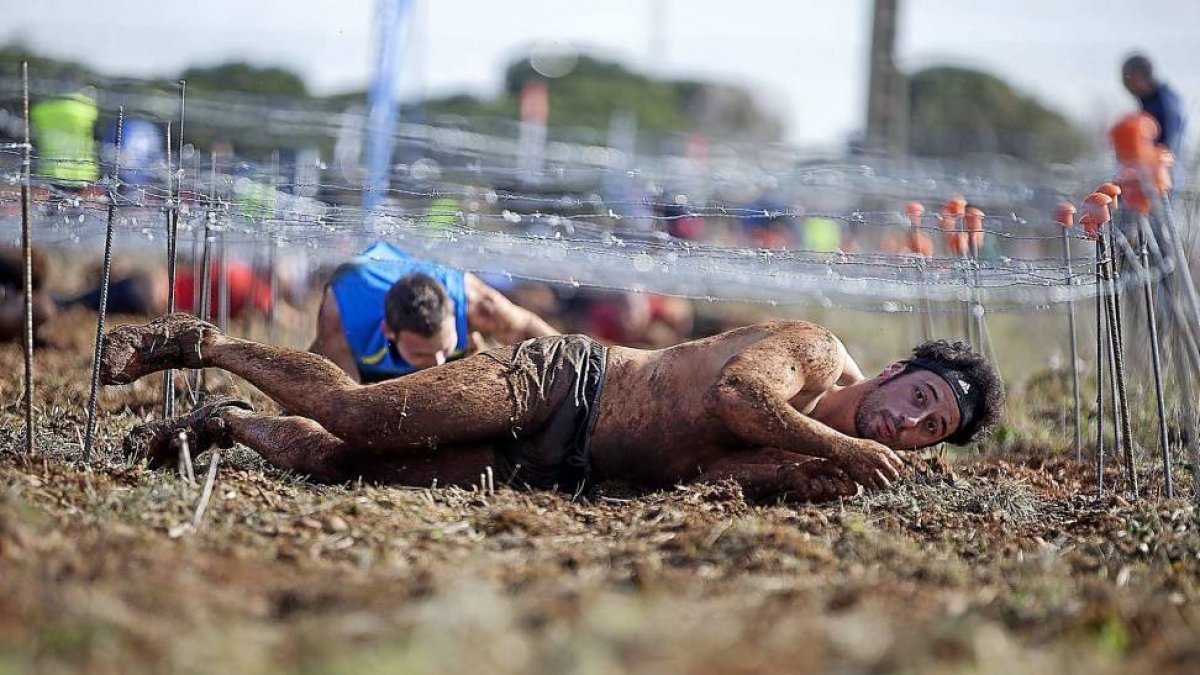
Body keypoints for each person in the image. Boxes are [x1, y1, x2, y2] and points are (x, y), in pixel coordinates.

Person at [102, 315, 1004, 503]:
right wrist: (841, 456)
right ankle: (201, 342)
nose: (909, 425)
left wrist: (815, 480)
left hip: (566, 469)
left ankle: (227, 421)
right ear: (892, 370)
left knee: (344, 466)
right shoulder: (812, 352)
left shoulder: (830, 466)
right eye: (919, 399)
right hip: (564, 380)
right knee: (365, 419)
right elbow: (737, 396)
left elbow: (715, 481)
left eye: (932, 431)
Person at [311, 241, 559, 381]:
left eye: (444, 348)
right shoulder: (340, 316)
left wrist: (574, 366)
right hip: (365, 363)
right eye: (422, 354)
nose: (437, 364)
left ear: (455, 314)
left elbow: (528, 328)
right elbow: (348, 403)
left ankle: (465, 347)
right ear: (389, 330)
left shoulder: (478, 305)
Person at [1122, 54, 1187, 186]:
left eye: (1128, 79)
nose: (1126, 85)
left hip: (1165, 172)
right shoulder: (1148, 99)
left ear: (1141, 76)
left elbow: (1170, 142)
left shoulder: (1165, 103)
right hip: (1153, 168)